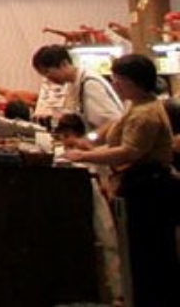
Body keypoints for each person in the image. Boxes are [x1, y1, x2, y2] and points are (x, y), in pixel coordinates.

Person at [64, 53, 178, 305]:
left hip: (149, 190)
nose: (114, 84)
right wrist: (91, 146)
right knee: (142, 252)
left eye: (118, 80)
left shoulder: (145, 114)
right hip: (142, 186)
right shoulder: (136, 106)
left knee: (150, 253)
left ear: (133, 82)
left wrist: (85, 155)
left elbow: (129, 151)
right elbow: (118, 140)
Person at [32, 45, 124, 133]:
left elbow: (113, 121)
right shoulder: (74, 84)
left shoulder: (90, 84)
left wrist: (90, 139)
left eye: (47, 72)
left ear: (64, 64)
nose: (48, 78)